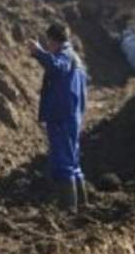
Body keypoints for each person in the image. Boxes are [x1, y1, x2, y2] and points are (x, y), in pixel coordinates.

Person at [26, 22, 88, 212]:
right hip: (72, 116)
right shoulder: (76, 60)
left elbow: (55, 66)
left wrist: (38, 52)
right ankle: (81, 203)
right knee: (73, 162)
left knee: (63, 163)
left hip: (62, 117)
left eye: (48, 43)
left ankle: (68, 208)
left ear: (52, 40)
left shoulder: (65, 57)